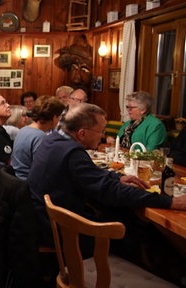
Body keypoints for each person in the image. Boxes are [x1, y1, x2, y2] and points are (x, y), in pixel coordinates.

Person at [27, 102, 186, 286]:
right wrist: (171, 202)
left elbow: (91, 176)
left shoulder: (53, 139)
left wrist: (117, 177)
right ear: (82, 133)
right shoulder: (72, 152)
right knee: (135, 232)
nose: (103, 136)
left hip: (46, 222)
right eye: (100, 131)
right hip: (64, 233)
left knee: (126, 218)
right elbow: (111, 192)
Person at [11, 96, 65, 180]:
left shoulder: (23, 130)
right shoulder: (40, 137)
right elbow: (42, 170)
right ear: (54, 118)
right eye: (59, 117)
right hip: (27, 183)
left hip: (16, 179)